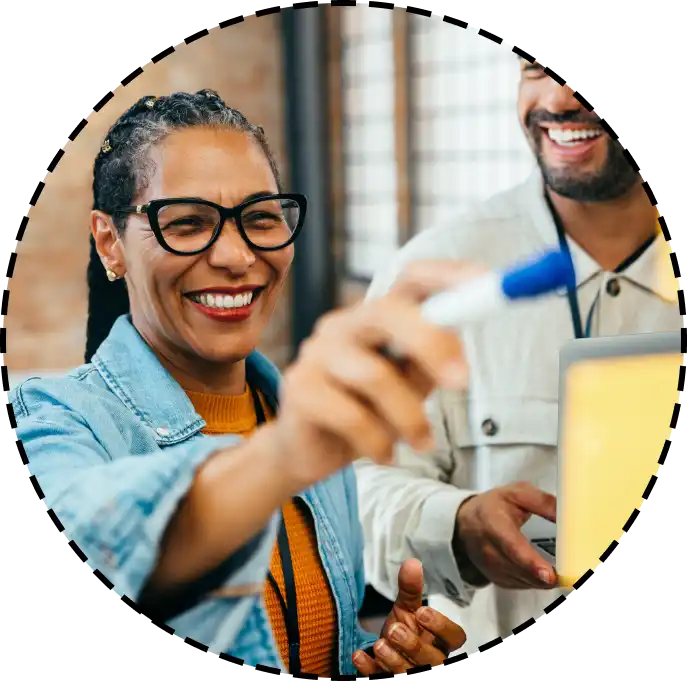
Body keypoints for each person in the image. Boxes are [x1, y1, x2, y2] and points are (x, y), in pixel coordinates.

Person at [10, 90, 472, 676]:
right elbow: (92, 535)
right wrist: (285, 452)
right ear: (110, 243)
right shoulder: (49, 421)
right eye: (186, 223)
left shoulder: (303, 427)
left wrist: (375, 656)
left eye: (259, 218)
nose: (236, 255)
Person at [355, 59, 682, 654]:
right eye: (535, 68)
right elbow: (356, 490)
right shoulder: (436, 273)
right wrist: (457, 527)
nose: (557, 99)